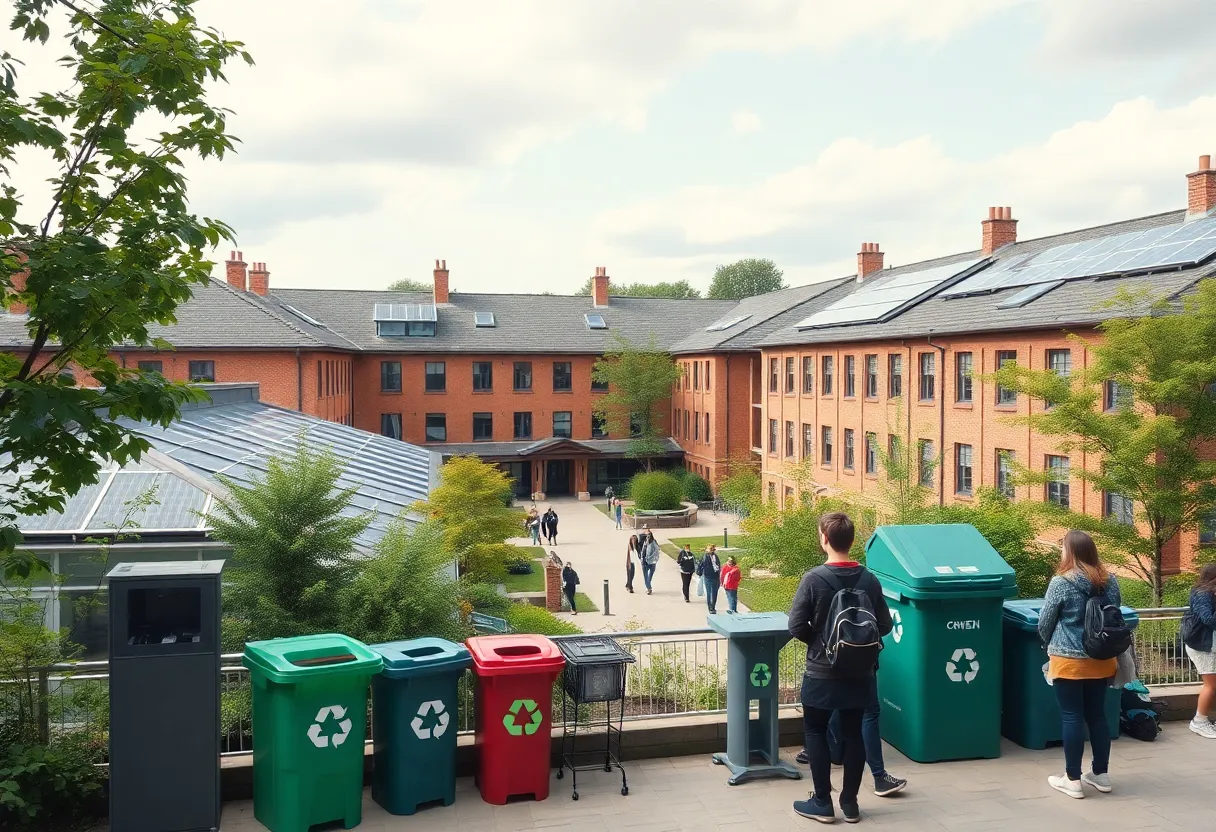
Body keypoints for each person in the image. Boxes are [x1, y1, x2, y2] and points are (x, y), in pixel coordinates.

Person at [787, 512, 892, 824]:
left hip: (821, 673)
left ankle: (822, 802)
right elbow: (884, 625)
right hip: (860, 674)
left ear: (824, 539)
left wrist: (820, 645)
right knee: (854, 734)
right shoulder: (869, 579)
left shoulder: (814, 579)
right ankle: (850, 803)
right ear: (851, 540)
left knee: (815, 731)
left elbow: (795, 625)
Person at [1038, 530, 1122, 799]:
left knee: (1071, 716)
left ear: (1070, 552)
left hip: (1068, 659)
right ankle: (1101, 773)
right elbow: (1114, 615)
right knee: (1097, 716)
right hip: (1101, 659)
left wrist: (1048, 642)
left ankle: (1072, 778)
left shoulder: (1061, 582)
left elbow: (1045, 621)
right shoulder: (1110, 582)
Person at [1183, 564, 1216, 738]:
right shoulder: (1202, 595)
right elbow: (1208, 619)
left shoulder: (1208, 593)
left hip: (1209, 645)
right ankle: (1199, 721)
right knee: (1210, 685)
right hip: (1203, 646)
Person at [698, 545, 722, 614]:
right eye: (711, 549)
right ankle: (710, 608)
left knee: (714, 593)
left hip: (716, 577)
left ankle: (713, 606)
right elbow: (702, 565)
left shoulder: (715, 556)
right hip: (708, 577)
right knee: (709, 592)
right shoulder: (705, 556)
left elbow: (718, 565)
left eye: (713, 549)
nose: (712, 551)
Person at [639, 529, 660, 595]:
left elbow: (657, 551)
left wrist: (651, 557)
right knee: (646, 577)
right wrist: (642, 558)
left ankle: (648, 586)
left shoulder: (653, 542)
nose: (647, 536)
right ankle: (649, 588)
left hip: (652, 562)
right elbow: (642, 551)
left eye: (649, 535)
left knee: (649, 576)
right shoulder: (645, 542)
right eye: (647, 535)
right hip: (644, 562)